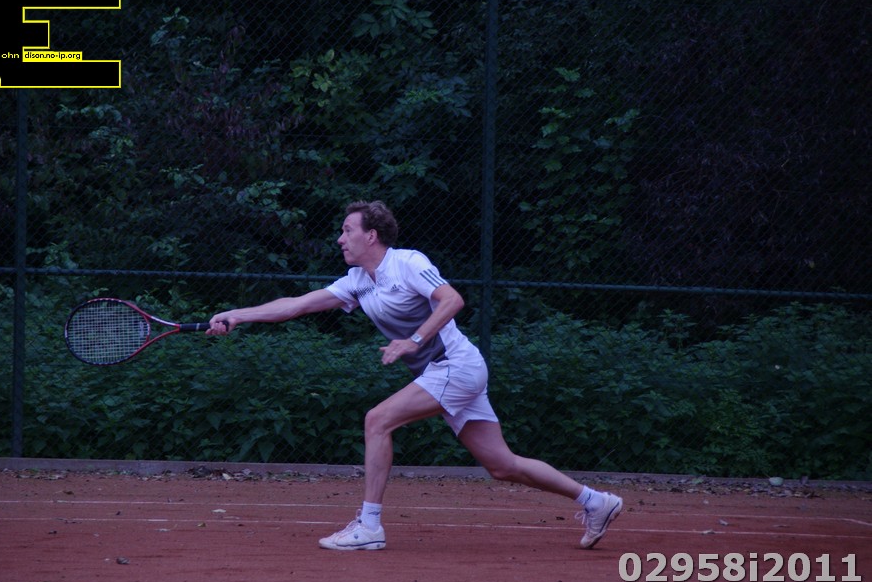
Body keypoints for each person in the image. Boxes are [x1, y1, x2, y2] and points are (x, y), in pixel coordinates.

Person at [207, 200, 622, 551]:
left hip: (455, 366)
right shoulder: (358, 281)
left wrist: (413, 339)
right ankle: (595, 501)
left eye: (347, 230)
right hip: (446, 373)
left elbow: (452, 299)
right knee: (502, 464)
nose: (340, 239)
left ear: (371, 235)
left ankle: (369, 526)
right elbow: (297, 304)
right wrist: (237, 315)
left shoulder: (407, 263)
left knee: (377, 420)